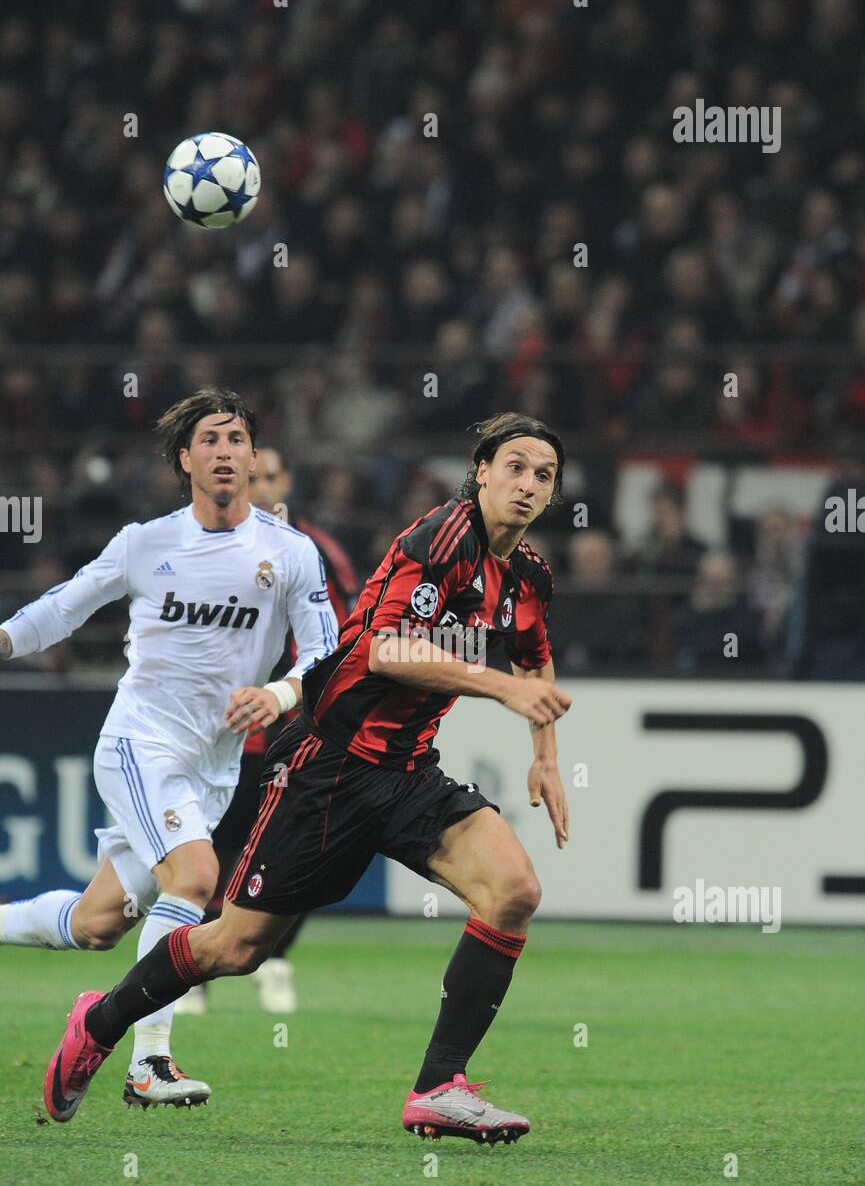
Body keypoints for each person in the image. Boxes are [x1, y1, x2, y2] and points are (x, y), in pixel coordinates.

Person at [44, 412, 573, 1145]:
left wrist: (543, 751)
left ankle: (437, 1088)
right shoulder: (442, 537)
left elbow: (533, 655)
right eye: (513, 465)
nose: (526, 483)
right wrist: (501, 688)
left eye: (542, 475)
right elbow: (386, 650)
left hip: (410, 773)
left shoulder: (527, 575)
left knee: (514, 891)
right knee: (233, 947)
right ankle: (98, 1023)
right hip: (327, 769)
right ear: (480, 471)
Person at [0, 390, 337, 1108]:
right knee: (194, 880)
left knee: (98, 924)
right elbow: (63, 608)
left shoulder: (290, 553)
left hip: (211, 771)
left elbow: (328, 654)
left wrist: (279, 694)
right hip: (139, 744)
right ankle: (149, 1061)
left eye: (237, 438)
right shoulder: (144, 542)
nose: (224, 450)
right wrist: (2, 638)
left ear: (253, 457)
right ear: (184, 460)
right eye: (209, 439)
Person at [178, 445, 360, 1016]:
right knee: (211, 849)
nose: (265, 485)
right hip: (222, 728)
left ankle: (275, 958)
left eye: (275, 474)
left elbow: (343, 642)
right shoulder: (204, 546)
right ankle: (196, 973)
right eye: (257, 475)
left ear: (288, 482)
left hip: (295, 730)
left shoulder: (317, 554)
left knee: (297, 848)